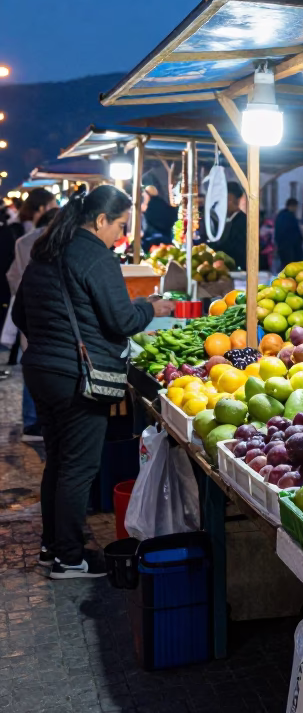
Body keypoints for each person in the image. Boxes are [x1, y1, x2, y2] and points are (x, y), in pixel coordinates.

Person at [12, 186, 174, 578]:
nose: (120, 234)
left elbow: (20, 315)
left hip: (41, 371)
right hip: (76, 379)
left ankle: (53, 548)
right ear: (101, 221)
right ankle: (69, 559)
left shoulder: (48, 251)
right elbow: (123, 321)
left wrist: (54, 340)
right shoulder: (95, 256)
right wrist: (149, 307)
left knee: (59, 462)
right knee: (78, 468)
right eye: (120, 225)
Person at [4, 206, 59, 441]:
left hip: (29, 312)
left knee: (31, 364)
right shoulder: (59, 241)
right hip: (50, 313)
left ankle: (31, 421)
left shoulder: (24, 242)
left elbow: (12, 276)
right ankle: (41, 422)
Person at [0, 189, 57, 363]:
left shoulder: (21, 232)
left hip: (28, 312)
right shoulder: (25, 236)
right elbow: (13, 275)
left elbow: (13, 277)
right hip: (38, 312)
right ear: (42, 208)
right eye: (53, 205)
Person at [140, 170, 176, 251]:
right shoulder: (161, 203)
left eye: (144, 193)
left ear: (147, 194)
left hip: (155, 240)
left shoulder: (151, 207)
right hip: (166, 239)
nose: (142, 195)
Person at [218, 182, 247, 271]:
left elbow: (239, 248)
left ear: (236, 201)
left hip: (238, 267)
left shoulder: (243, 220)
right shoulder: (223, 219)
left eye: (227, 199)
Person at [274, 198, 303, 268]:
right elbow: (292, 232)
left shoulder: (281, 215)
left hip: (283, 246)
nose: (296, 209)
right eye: (295, 207)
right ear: (292, 206)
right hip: (290, 247)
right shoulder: (289, 217)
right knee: (290, 266)